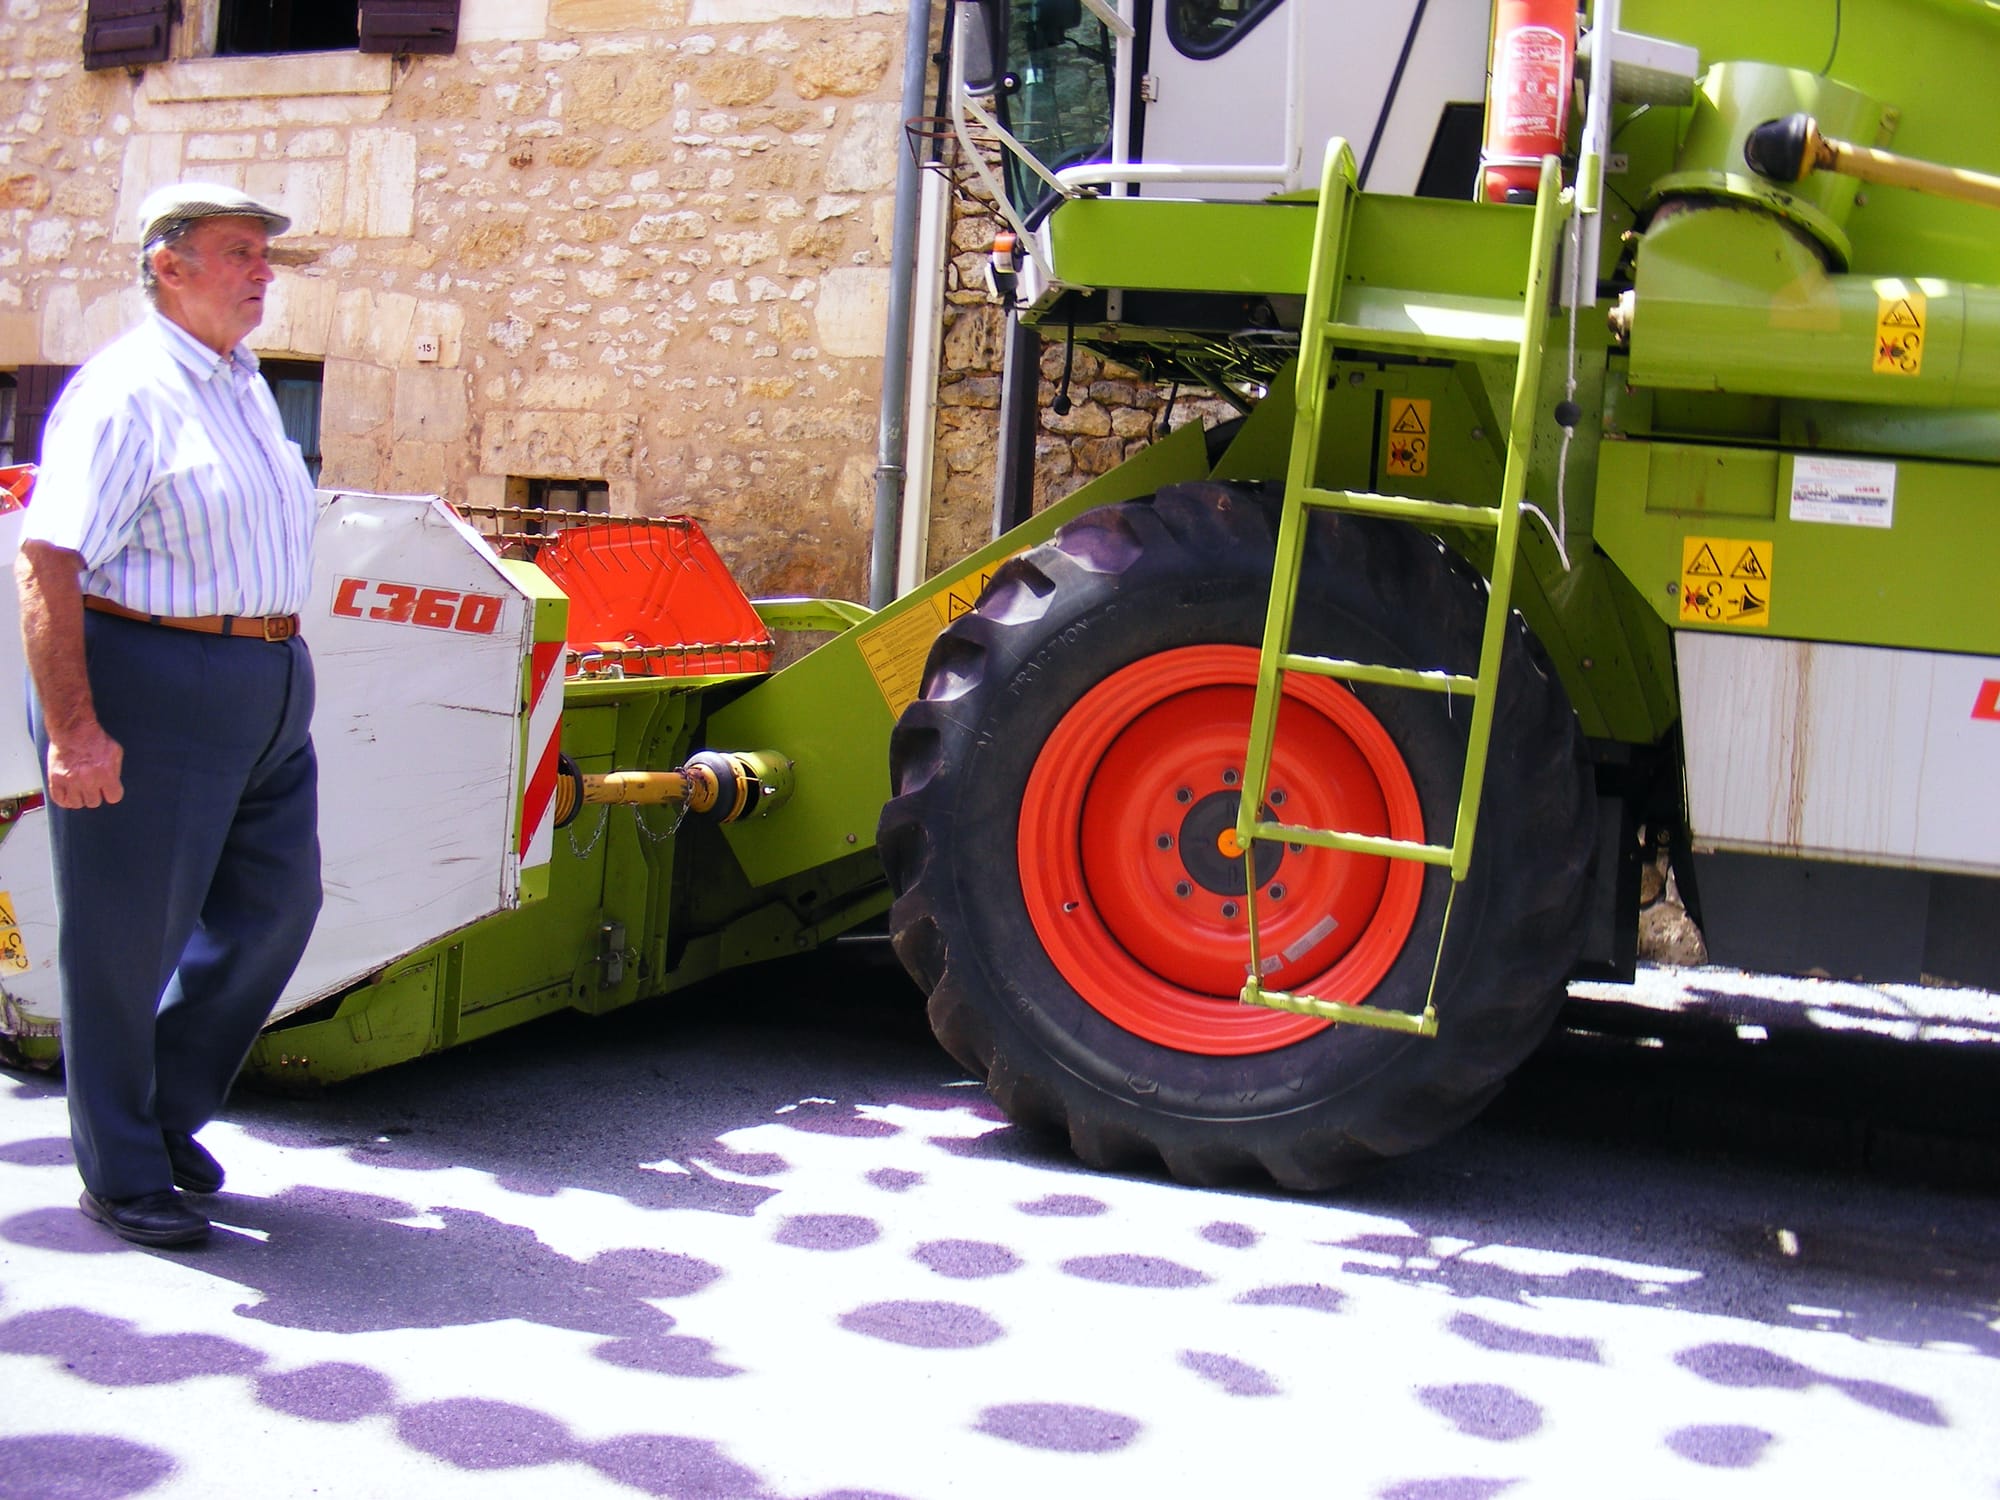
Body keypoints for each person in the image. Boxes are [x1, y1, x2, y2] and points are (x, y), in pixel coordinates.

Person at [16, 181, 323, 1247]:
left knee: (278, 910)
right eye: (240, 251)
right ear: (168, 265)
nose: (261, 270)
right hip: (149, 678)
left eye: (264, 254)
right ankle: (121, 1170)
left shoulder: (243, 383)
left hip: (264, 679)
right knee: (124, 944)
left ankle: (160, 1111)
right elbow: (48, 561)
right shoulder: (126, 392)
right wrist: (74, 732)